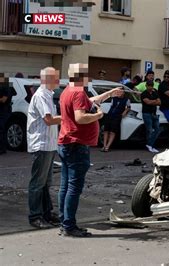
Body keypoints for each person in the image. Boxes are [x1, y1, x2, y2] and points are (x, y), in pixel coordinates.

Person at [57, 63, 121, 237]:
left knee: (65, 186)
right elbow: (80, 117)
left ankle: (64, 222)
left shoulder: (67, 91)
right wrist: (98, 116)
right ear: (81, 77)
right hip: (76, 145)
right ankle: (69, 226)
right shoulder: (77, 92)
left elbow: (90, 102)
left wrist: (109, 93)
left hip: (66, 143)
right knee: (73, 188)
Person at [26, 67, 62, 229]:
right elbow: (48, 120)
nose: (58, 82)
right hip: (41, 144)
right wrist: (69, 117)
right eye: (56, 79)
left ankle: (47, 212)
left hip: (48, 145)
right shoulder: (41, 96)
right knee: (38, 183)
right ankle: (35, 216)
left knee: (46, 183)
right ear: (47, 79)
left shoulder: (48, 95)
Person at [141, 80, 161, 153]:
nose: (150, 87)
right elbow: (147, 102)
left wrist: (152, 101)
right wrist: (155, 101)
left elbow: (159, 102)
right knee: (149, 130)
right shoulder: (144, 93)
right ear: (146, 86)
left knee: (157, 129)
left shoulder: (155, 92)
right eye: (149, 85)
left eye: (151, 85)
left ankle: (150, 144)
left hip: (154, 113)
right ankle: (150, 146)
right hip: (146, 113)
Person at [0, 74, 14, 155]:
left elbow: (3, 100)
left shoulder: (6, 87)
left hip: (4, 112)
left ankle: (2, 149)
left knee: (1, 129)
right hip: (3, 111)